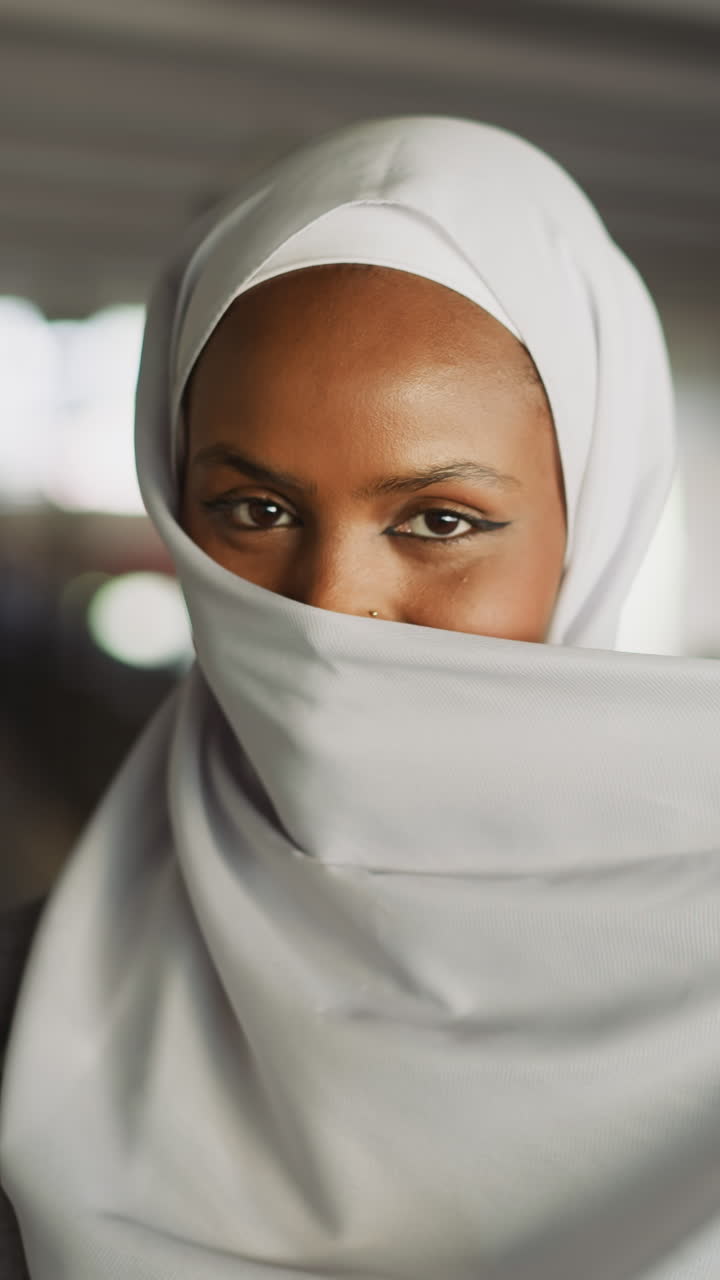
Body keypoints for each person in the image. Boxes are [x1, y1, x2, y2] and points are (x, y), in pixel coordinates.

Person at [2, 114, 720, 1280]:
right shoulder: (24, 1012)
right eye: (255, 510)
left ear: (597, 524)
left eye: (440, 520)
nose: (333, 610)